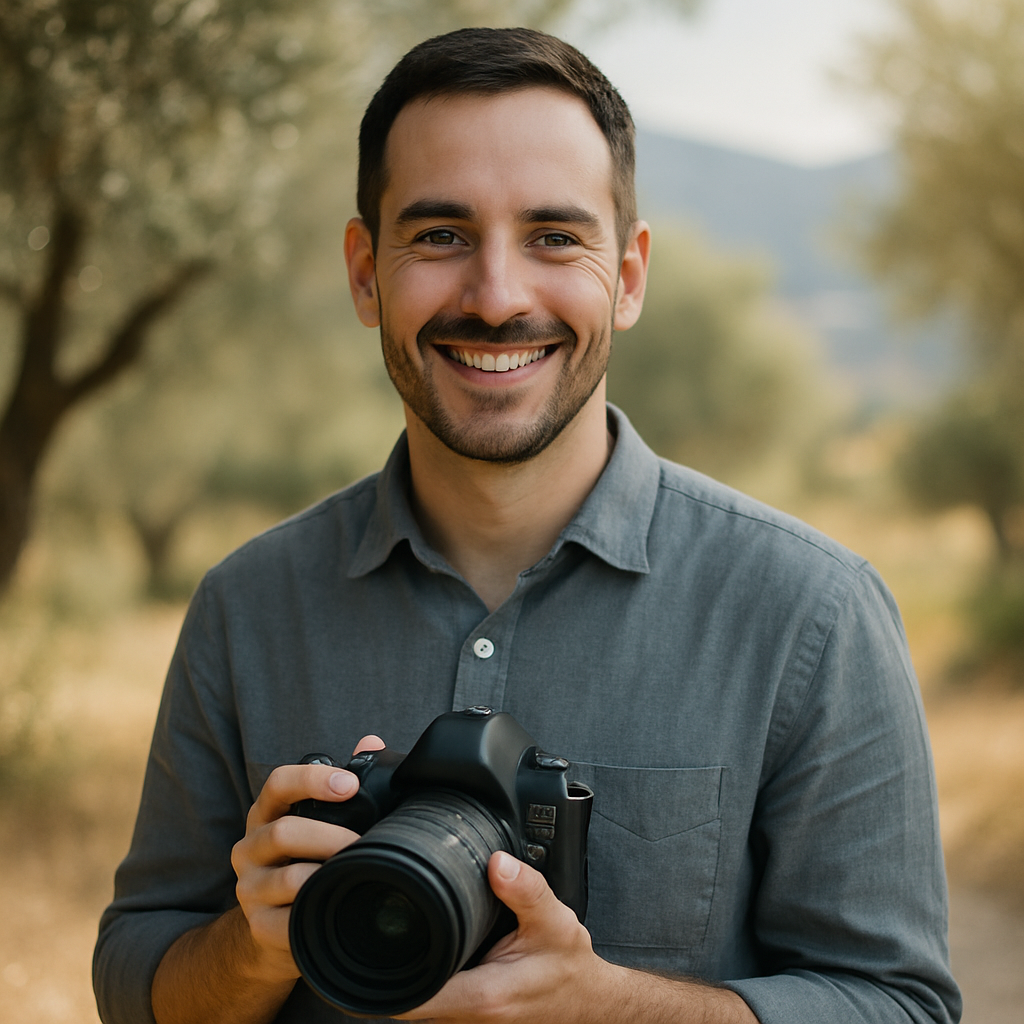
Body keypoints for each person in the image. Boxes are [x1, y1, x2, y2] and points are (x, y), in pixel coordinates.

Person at [93, 27, 961, 1024]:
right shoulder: (246, 608)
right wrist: (250, 949)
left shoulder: (812, 613)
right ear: (365, 270)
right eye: (439, 235)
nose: (497, 296)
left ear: (628, 276)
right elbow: (133, 978)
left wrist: (613, 1007)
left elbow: (900, 1006)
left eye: (554, 236)